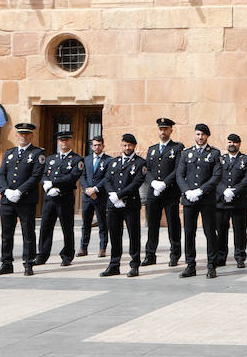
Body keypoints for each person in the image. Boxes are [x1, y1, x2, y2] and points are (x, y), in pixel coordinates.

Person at [0, 122, 46, 276]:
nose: (24, 136)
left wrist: (20, 191)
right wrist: (6, 190)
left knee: (28, 233)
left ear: (32, 135)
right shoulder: (9, 153)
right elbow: (1, 173)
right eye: (21, 134)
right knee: (6, 233)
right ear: (16, 135)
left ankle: (28, 263)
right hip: (8, 200)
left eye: (27, 134)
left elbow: (36, 176)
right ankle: (6, 263)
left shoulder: (38, 154)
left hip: (26, 200)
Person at [176, 122, 223, 278]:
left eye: (203, 134)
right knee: (189, 233)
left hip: (207, 199)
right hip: (189, 199)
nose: (200, 137)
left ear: (207, 136)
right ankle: (190, 265)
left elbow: (216, 176)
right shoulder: (186, 153)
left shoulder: (215, 154)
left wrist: (201, 190)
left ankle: (211, 265)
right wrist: (187, 191)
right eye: (197, 134)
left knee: (210, 232)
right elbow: (179, 175)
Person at [35, 130, 83, 266]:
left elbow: (72, 177)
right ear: (58, 142)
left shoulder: (77, 159)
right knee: (45, 227)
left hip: (64, 197)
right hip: (50, 198)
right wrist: (46, 184)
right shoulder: (51, 159)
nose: (64, 143)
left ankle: (67, 255)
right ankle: (42, 255)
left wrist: (55, 184)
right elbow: (44, 174)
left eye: (67, 140)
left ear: (71, 141)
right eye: (61, 140)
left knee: (67, 227)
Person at [101, 132, 146, 277]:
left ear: (134, 146)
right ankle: (114, 264)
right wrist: (113, 196)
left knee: (133, 235)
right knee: (114, 234)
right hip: (113, 204)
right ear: (121, 145)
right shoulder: (114, 162)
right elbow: (107, 180)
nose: (127, 148)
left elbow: (136, 183)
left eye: (130, 145)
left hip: (130, 204)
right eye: (125, 145)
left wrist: (120, 195)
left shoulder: (140, 163)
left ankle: (134, 264)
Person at [143, 118, 183, 267]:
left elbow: (178, 169)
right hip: (154, 193)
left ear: (171, 130)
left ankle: (175, 254)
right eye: (161, 129)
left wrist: (165, 183)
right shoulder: (152, 149)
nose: (163, 132)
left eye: (166, 129)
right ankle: (150, 255)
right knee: (152, 224)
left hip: (170, 192)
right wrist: (153, 182)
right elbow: (146, 169)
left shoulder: (177, 148)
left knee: (173, 224)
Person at [215, 133, 247, 268]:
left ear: (239, 144)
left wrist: (234, 191)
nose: (232, 144)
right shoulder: (220, 159)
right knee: (221, 230)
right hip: (221, 201)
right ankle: (221, 257)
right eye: (230, 142)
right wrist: (224, 190)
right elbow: (215, 177)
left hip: (239, 202)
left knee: (240, 231)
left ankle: (240, 256)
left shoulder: (246, 160)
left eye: (235, 142)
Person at [78, 135, 111, 258]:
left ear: (103, 146)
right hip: (87, 196)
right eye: (94, 145)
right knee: (86, 223)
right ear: (91, 146)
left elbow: (107, 177)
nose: (96, 147)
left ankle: (102, 248)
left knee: (102, 223)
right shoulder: (86, 160)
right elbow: (82, 176)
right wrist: (87, 189)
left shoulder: (109, 160)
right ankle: (83, 247)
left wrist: (95, 189)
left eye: (99, 145)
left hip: (100, 196)